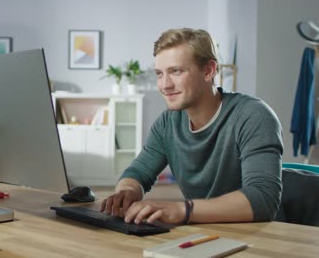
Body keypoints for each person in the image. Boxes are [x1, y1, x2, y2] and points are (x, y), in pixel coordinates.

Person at [100, 28, 283, 225]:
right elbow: (138, 173)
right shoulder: (167, 122)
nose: (164, 85)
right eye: (160, 74)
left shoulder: (253, 115)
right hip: (203, 233)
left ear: (208, 71)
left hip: (258, 236)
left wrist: (182, 209)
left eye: (176, 71)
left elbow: (263, 199)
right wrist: (126, 192)